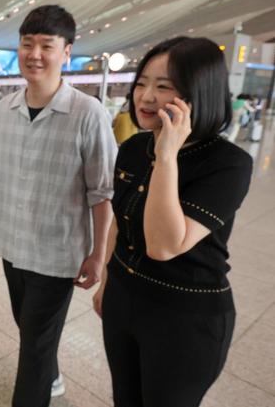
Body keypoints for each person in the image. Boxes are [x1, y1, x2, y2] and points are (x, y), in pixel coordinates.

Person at [0, 5, 117, 407]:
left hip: (56, 252)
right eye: (27, 44)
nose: (35, 54)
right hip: (12, 244)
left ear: (67, 52)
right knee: (28, 326)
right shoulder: (6, 108)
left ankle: (38, 384)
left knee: (33, 346)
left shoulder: (89, 114)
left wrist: (99, 255)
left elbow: (102, 193)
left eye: (47, 45)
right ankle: (52, 374)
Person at [92, 37, 253, 407]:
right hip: (122, 299)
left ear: (199, 94)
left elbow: (163, 245)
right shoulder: (134, 148)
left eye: (164, 86)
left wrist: (167, 155)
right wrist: (107, 281)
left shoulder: (227, 163)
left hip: (184, 316)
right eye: (142, 83)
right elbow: (119, 222)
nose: (146, 97)